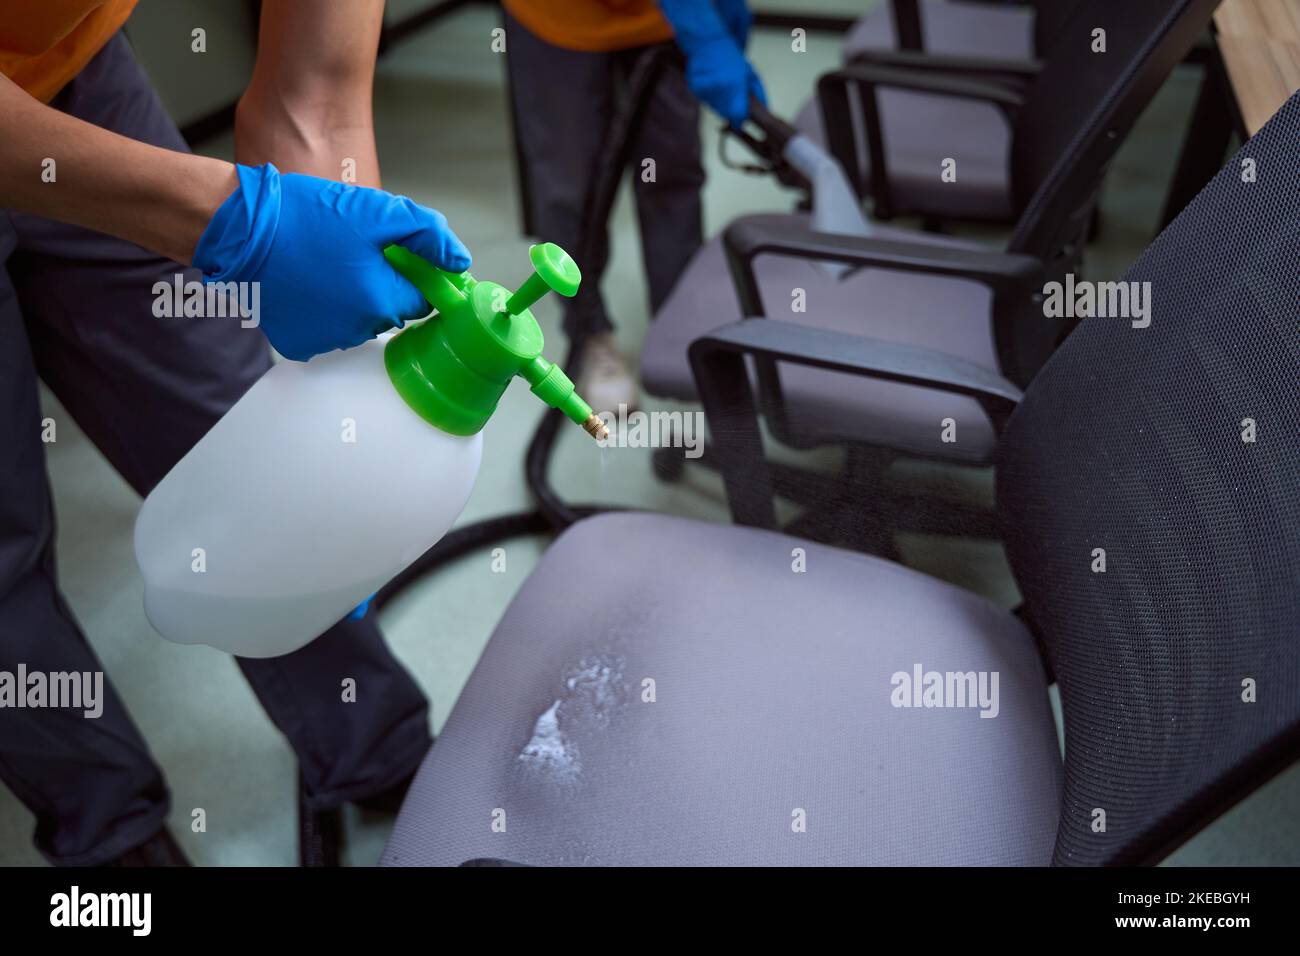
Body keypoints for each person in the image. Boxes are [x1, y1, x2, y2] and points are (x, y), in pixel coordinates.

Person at [0, 0, 465, 865]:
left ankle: (381, 749)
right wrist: (229, 221)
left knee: (237, 423)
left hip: (67, 67)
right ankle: (114, 844)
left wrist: (322, 217)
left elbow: (314, 100)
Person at [503, 0, 765, 415]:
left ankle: (680, 323)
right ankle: (590, 333)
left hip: (661, 21)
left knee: (670, 173)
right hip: (557, 17)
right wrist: (704, 29)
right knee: (570, 188)